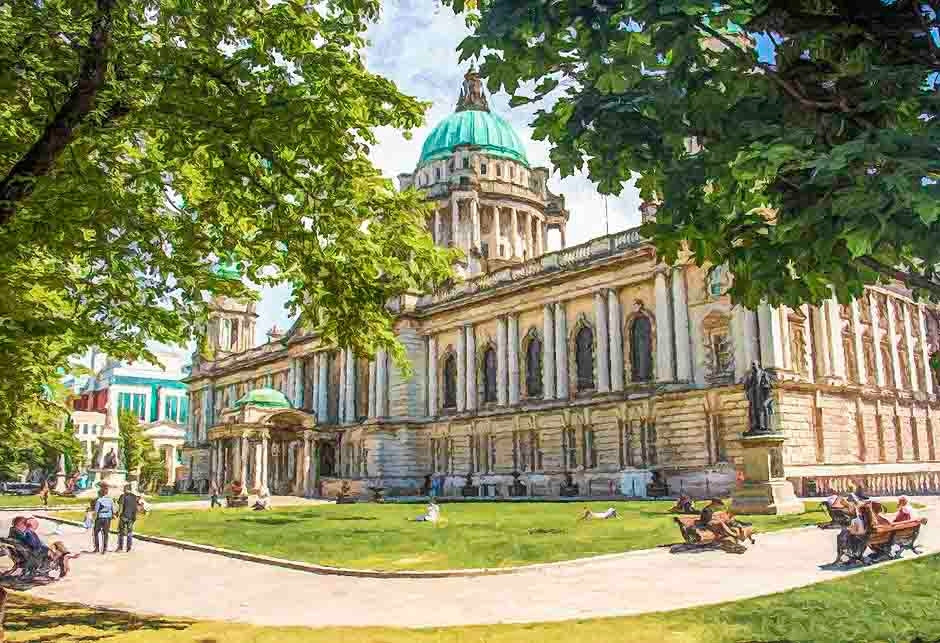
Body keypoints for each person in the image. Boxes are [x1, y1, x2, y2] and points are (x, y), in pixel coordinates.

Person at [116, 484, 140, 552]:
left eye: (124, 489)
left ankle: (120, 548)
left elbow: (121, 507)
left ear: (125, 489)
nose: (123, 490)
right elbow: (136, 507)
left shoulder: (123, 496)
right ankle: (129, 548)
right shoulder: (134, 497)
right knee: (129, 532)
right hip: (131, 517)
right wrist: (135, 516)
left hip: (124, 516)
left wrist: (117, 514)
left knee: (121, 532)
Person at [92, 484, 115, 554]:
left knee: (96, 533)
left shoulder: (99, 500)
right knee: (106, 534)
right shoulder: (110, 500)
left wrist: (93, 518)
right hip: (107, 518)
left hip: (100, 517)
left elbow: (96, 511)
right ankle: (104, 549)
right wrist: (113, 515)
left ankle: (97, 548)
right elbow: (113, 509)